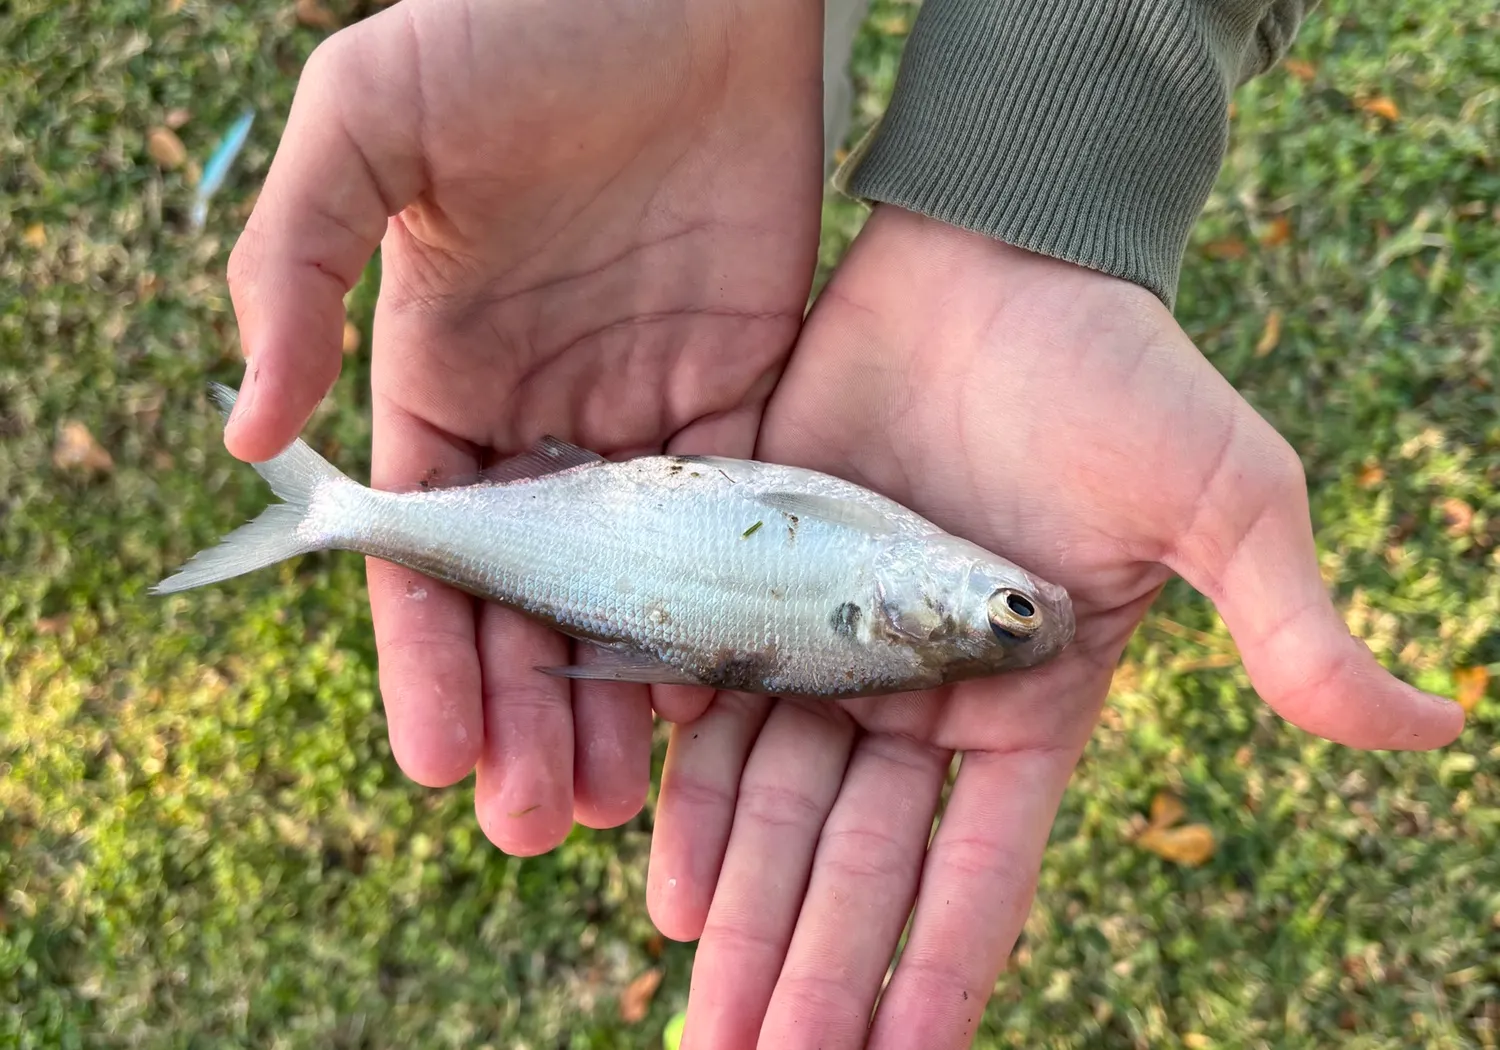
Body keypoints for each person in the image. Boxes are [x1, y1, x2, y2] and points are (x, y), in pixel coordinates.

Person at [219, 0, 1466, 1046]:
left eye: (1006, 608)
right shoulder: (891, 604)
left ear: (919, 615)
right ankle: (340, 513)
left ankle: (338, 514)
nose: (1014, 592)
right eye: (1010, 609)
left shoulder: (885, 604)